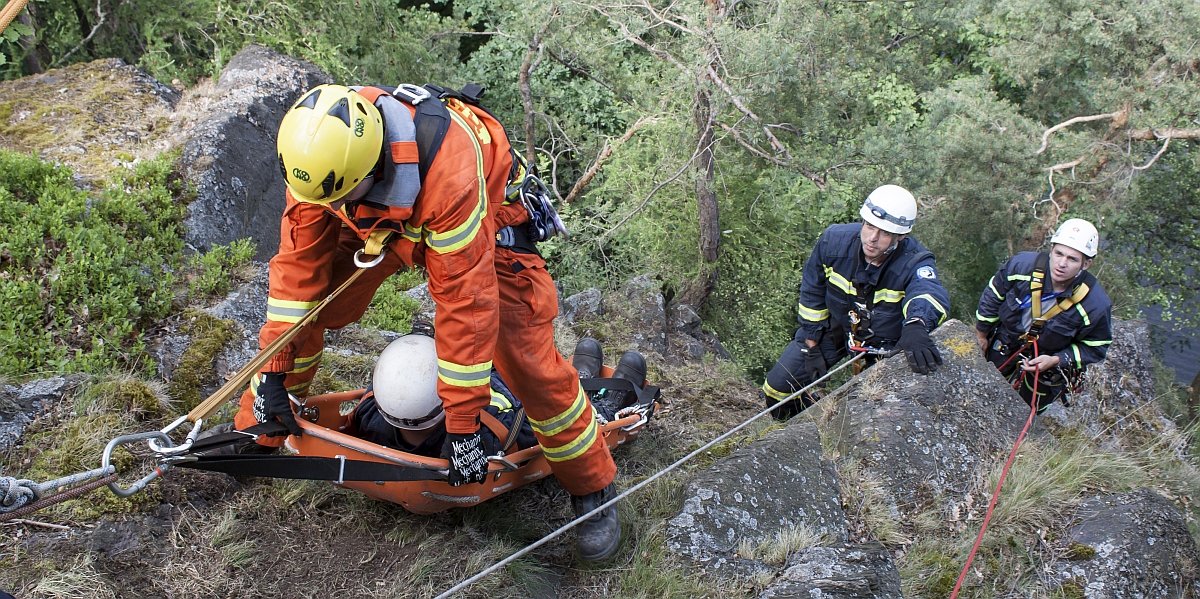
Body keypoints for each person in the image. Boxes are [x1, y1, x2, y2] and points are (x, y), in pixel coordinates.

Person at [230, 83, 620, 560]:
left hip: (485, 226)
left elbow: (466, 309)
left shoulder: (448, 174)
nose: (334, 208)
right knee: (316, 305)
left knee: (526, 362)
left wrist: (461, 426)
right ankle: (259, 429)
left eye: (342, 198)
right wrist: (272, 378)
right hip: (390, 223)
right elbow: (295, 283)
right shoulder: (320, 161)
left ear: (372, 168)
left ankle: (591, 485)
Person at [761, 184, 950, 420]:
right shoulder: (833, 243)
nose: (872, 238)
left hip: (884, 341)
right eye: (869, 226)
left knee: (873, 411)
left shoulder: (914, 262)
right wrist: (811, 346)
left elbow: (929, 293)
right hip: (836, 327)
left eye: (884, 232)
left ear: (901, 236)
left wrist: (916, 324)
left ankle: (837, 431)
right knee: (777, 389)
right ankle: (812, 424)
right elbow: (812, 292)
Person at [353, 334, 648, 455]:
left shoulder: (369, 418)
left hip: (490, 387)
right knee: (556, 412)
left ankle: (577, 380)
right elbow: (547, 428)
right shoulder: (485, 436)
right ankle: (602, 403)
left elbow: (392, 386)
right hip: (515, 408)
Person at [974, 218, 1112, 413]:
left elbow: (1096, 347)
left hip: (1049, 359)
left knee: (1028, 407)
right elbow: (994, 294)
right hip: (1008, 338)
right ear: (1052, 249)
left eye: (1072, 259)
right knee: (985, 382)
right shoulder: (1021, 267)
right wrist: (981, 333)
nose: (1061, 263)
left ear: (1086, 264)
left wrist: (1056, 360)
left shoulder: (1094, 305)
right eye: (1058, 254)